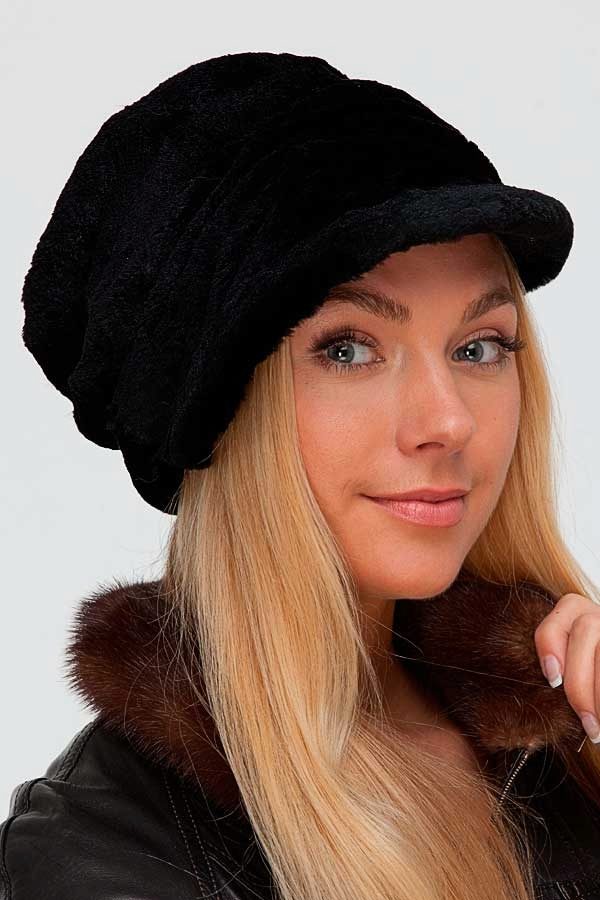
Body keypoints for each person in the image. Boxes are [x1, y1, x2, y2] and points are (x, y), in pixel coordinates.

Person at [3, 50, 600, 900]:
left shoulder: (561, 742)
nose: (449, 421)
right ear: (218, 409)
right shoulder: (103, 861)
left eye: (478, 347)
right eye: (348, 349)